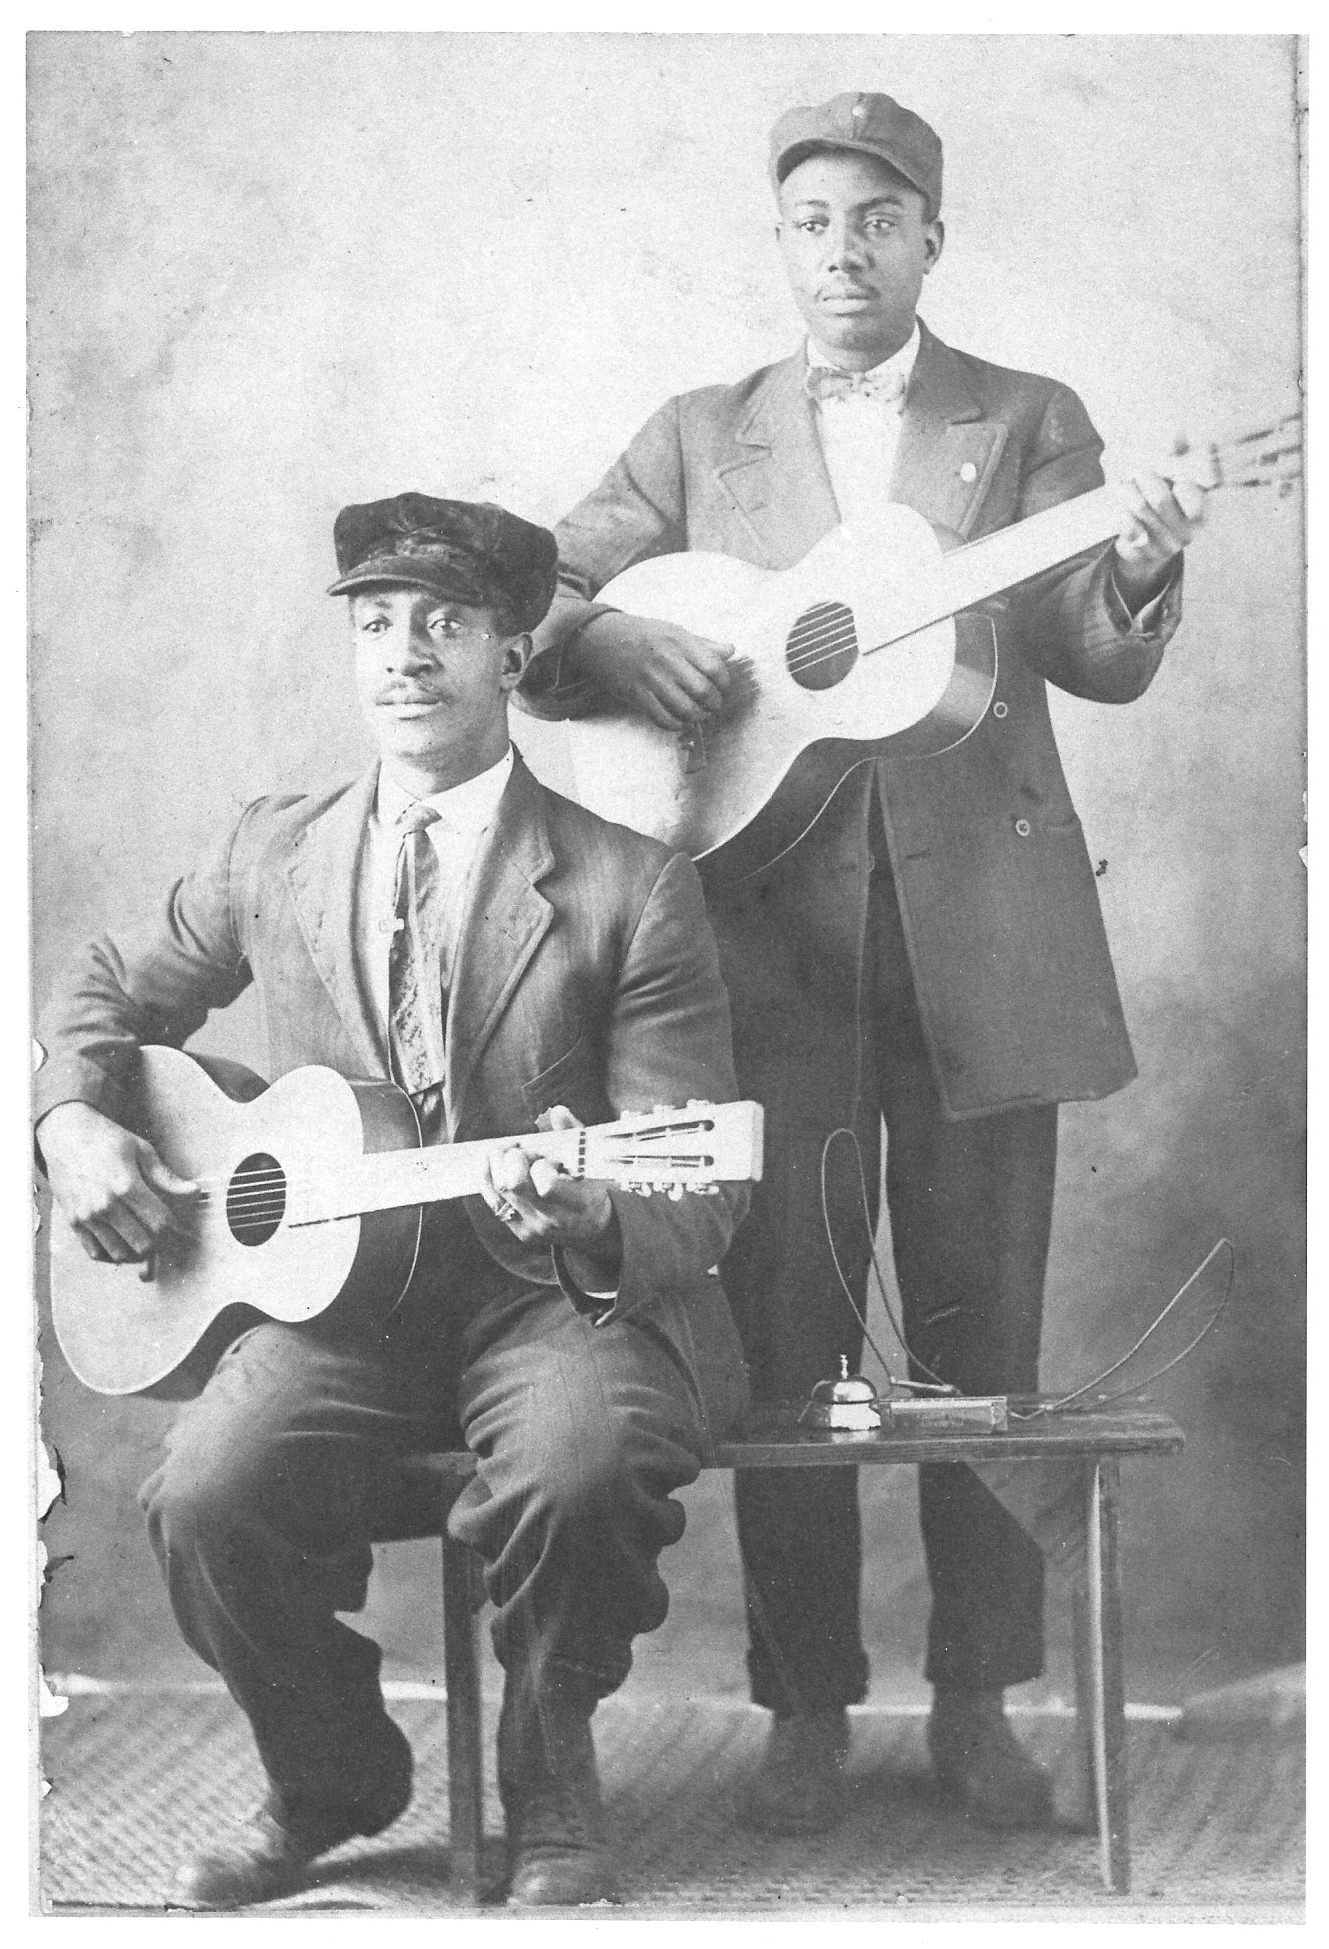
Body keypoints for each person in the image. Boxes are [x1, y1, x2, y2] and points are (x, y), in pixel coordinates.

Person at [519, 91, 1207, 1834]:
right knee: (782, 1338)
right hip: (763, 954)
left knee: (983, 1342)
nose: (843, 250)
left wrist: (1135, 562)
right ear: (783, 241)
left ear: (929, 239)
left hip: (985, 938)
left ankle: (980, 1704)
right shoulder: (699, 433)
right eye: (812, 220)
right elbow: (530, 600)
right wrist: (608, 639)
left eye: (877, 220)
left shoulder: (1026, 417)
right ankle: (805, 1713)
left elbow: (1094, 652)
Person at [35, 492, 751, 1908]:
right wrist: (65, 1120)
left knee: (580, 1464)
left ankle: (550, 1774)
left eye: (444, 623)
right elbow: (106, 985)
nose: (404, 654)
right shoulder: (276, 850)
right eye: (374, 624)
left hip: (545, 1295)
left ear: (512, 650)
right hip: (340, 1301)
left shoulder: (630, 884)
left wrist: (588, 1209)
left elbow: (695, 1184)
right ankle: (331, 1774)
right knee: (204, 1494)